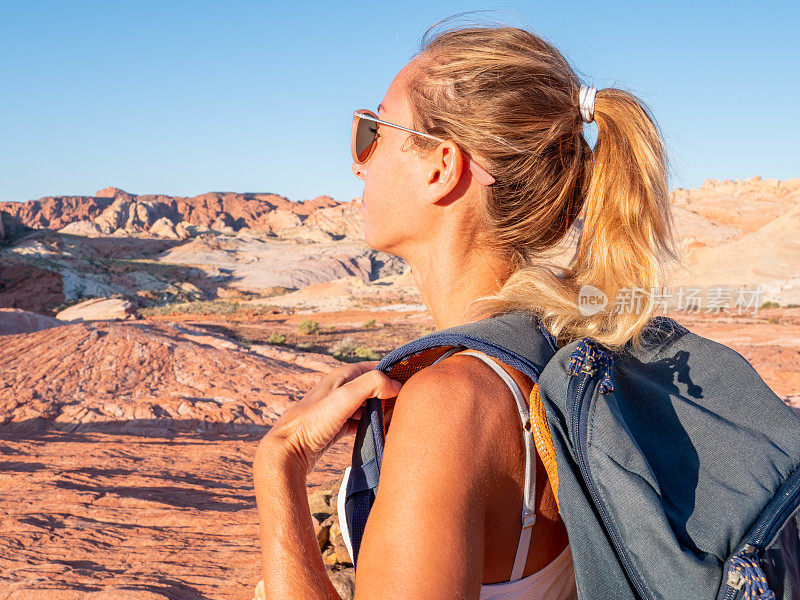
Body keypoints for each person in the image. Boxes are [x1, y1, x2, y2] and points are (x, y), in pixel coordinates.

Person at [252, 21, 677, 600]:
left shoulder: (451, 403)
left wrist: (280, 463)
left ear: (442, 167)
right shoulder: (562, 348)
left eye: (372, 130)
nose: (358, 162)